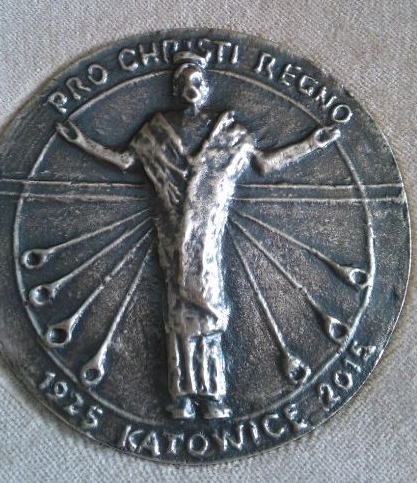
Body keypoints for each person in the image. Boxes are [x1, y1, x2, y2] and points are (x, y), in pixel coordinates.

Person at [57, 51, 340, 419]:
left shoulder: (229, 135)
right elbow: (126, 161)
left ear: (206, 87)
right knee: (178, 314)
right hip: (173, 240)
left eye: (196, 82)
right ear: (176, 89)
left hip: (207, 241)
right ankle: (182, 398)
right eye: (184, 83)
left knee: (207, 307)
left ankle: (213, 396)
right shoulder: (157, 131)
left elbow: (265, 162)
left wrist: (313, 143)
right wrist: (81, 142)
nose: (191, 89)